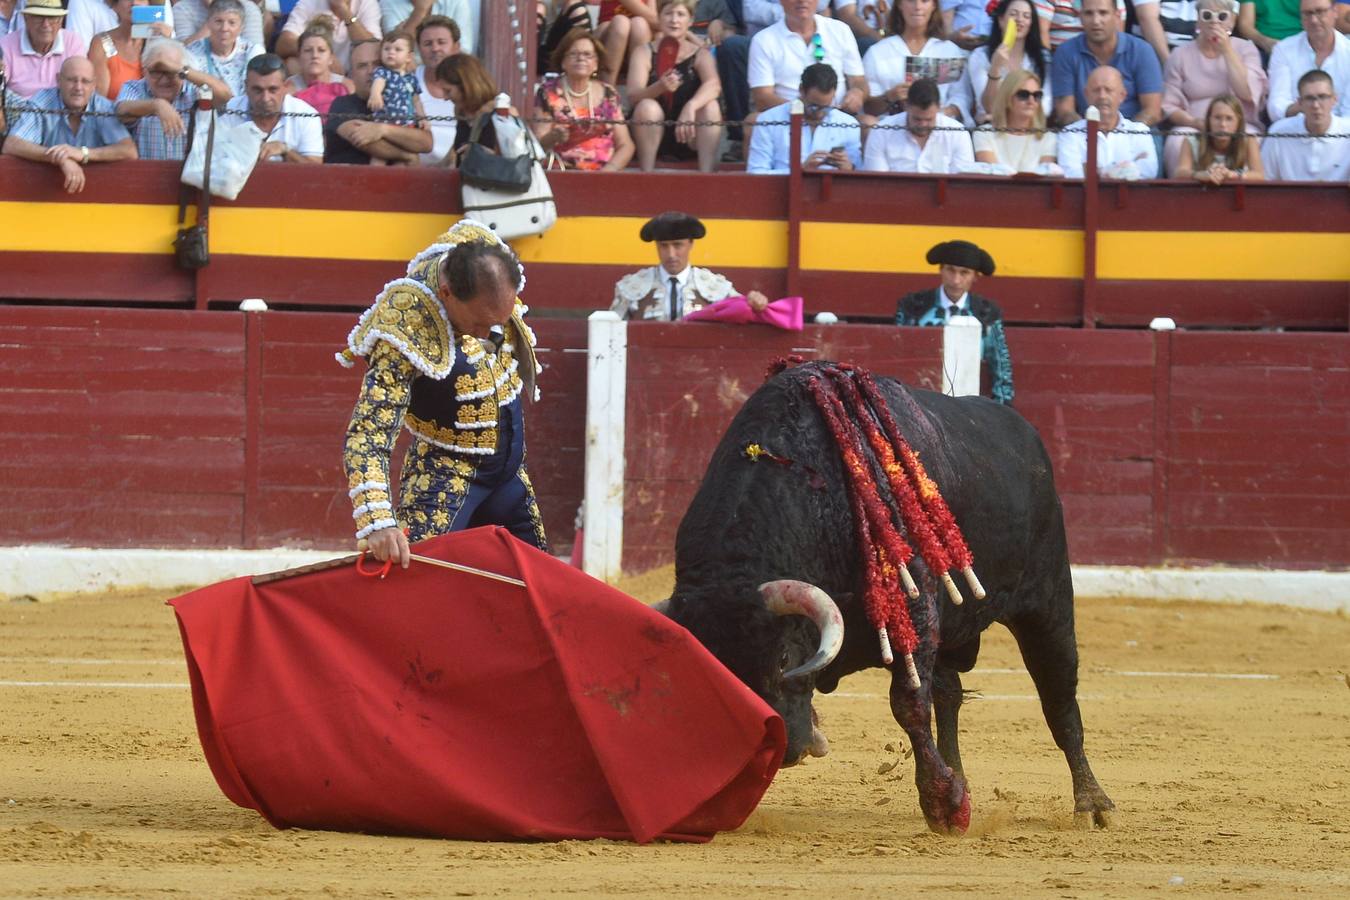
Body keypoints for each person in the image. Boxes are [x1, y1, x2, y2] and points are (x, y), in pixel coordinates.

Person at [341, 220, 548, 566]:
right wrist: (377, 521)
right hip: (445, 480)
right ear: (448, 293)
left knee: (542, 587)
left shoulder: (484, 258)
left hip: (511, 474)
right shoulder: (404, 326)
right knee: (419, 591)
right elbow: (369, 432)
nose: (491, 334)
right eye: (480, 323)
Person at [895, 239, 1013, 406]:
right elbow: (900, 356)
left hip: (969, 404)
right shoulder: (914, 307)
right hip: (921, 400)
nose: (956, 280)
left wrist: (1001, 410)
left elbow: (1001, 367)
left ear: (975, 277)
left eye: (964, 273)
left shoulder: (987, 314)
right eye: (951, 270)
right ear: (941, 270)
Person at [1160, 0, 1266, 175]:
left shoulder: (1246, 49)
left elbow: (1247, 92)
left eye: (1222, 17)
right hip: (1194, 124)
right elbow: (1169, 105)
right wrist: (1195, 123)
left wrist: (1227, 51)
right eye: (1207, 16)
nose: (1214, 22)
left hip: (1238, 126)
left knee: (1251, 138)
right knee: (1178, 140)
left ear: (1232, 21)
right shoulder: (1180, 54)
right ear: (1198, 21)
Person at [2, 56, 137, 193]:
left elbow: (129, 151)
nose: (78, 87)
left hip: (97, 195)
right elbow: (12, 144)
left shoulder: (102, 107)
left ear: (94, 85)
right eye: (71, 80)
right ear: (58, 80)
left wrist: (82, 154)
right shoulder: (43, 101)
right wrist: (61, 158)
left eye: (85, 81)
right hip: (44, 194)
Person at [611, 211, 770, 320]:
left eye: (678, 245)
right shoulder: (631, 287)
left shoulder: (715, 286)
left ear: (691, 244)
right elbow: (609, 334)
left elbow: (744, 312)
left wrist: (755, 304)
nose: (671, 254)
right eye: (663, 246)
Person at [628, 0, 723, 172]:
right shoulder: (643, 52)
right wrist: (659, 87)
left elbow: (714, 85)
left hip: (688, 132)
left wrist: (691, 106)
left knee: (711, 106)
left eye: (680, 14)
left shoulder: (700, 54)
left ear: (690, 20)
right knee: (646, 106)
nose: (674, 20)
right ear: (659, 17)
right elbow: (634, 96)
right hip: (650, 131)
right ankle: (647, 174)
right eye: (668, 13)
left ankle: (707, 174)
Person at [531, 28, 635, 170]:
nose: (581, 58)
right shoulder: (548, 92)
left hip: (604, 174)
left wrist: (608, 172)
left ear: (596, 64)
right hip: (561, 173)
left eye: (587, 55)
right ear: (563, 62)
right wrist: (553, 138)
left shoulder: (609, 94)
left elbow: (626, 145)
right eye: (574, 54)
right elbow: (537, 145)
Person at [1051, 0, 1164, 125]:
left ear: (1117, 17)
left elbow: (1152, 111)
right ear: (1081, 17)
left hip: (1135, 131)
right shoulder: (1066, 52)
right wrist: (1091, 134)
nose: (1096, 21)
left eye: (1103, 13)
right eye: (1089, 13)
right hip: (1084, 133)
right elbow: (1065, 112)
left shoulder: (1141, 51)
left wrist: (1123, 134)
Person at [115, 37, 230, 159]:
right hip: (146, 174)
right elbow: (121, 110)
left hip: (189, 174)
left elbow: (225, 95)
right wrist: (157, 105)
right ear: (144, 72)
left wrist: (181, 70)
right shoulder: (134, 87)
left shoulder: (193, 89)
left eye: (171, 72)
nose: (164, 80)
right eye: (156, 72)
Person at [861, 0, 972, 124]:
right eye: (911, 1)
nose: (918, 7)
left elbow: (962, 96)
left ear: (933, 5)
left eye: (924, 1)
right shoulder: (878, 52)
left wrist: (942, 112)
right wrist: (890, 96)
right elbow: (868, 107)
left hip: (941, 128)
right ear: (899, 4)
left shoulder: (949, 50)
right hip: (892, 130)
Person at [324, 38, 433, 163]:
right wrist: (407, 155)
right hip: (352, 179)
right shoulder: (342, 104)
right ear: (352, 75)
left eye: (376, 64)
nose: (371, 71)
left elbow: (426, 143)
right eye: (362, 66)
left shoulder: (402, 103)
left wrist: (383, 129)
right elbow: (360, 138)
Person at [748, 0, 866, 115]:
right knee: (752, 122)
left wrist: (857, 93)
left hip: (838, 116)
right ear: (781, 1)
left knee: (868, 122)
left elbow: (858, 80)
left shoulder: (840, 30)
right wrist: (805, 111)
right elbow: (762, 97)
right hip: (787, 117)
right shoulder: (763, 40)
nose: (802, 1)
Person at [747, 62, 862, 172]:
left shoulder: (848, 124)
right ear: (801, 90)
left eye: (827, 107)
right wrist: (799, 170)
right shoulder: (769, 120)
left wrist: (849, 168)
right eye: (813, 107)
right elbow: (756, 172)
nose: (819, 113)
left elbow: (859, 174)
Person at [1057, 65, 1160, 178]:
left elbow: (1148, 172)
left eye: (1108, 90)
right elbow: (1072, 175)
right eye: (1096, 90)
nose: (1102, 96)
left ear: (1122, 96)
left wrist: (1100, 172)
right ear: (1086, 95)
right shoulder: (1070, 134)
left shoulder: (1139, 131)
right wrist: (1126, 169)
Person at [224, 52, 324, 162]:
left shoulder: (307, 115)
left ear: (286, 87)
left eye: (273, 90)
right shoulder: (228, 110)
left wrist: (285, 151)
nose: (265, 98)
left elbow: (315, 168)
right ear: (246, 87)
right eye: (258, 90)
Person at [862, 76, 974, 172]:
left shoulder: (958, 133)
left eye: (929, 119)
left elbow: (961, 184)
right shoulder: (881, 132)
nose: (923, 124)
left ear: (939, 107)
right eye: (917, 119)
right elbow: (878, 184)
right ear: (906, 106)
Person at [966, 0, 1051, 124]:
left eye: (1026, 16)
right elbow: (989, 107)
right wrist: (995, 68)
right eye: (1013, 14)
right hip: (992, 128)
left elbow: (1046, 105)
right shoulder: (980, 55)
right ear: (1001, 20)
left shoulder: (1043, 58)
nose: (1019, 20)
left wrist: (1009, 116)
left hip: (1031, 127)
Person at [1266, 0, 1350, 121]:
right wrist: (1309, 110)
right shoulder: (1283, 49)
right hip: (1295, 127)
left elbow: (1349, 113)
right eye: (1307, 13)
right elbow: (1276, 107)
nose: (1314, 20)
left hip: (1342, 134)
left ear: (1335, 11)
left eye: (1320, 12)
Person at [1261, 68, 1350, 179]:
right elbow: (1265, 179)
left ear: (1334, 99)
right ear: (1300, 103)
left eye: (1322, 97)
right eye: (1309, 98)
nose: (1316, 105)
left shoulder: (1347, 132)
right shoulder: (1278, 133)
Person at [436, 52, 522, 165]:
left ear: (466, 86)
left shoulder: (501, 111)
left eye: (448, 91)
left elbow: (515, 157)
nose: (445, 98)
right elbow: (456, 151)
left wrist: (481, 153)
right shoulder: (461, 112)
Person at [0, 0, 88, 100]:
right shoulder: (5, 45)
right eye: (39, 17)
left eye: (51, 18)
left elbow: (79, 87)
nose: (45, 24)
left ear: (60, 21)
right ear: (26, 19)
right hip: (17, 112)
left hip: (61, 111)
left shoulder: (73, 43)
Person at [973, 70, 1058, 171]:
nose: (1031, 101)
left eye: (1037, 95)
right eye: (1023, 95)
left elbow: (1044, 179)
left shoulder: (1048, 137)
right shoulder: (984, 133)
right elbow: (993, 176)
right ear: (1007, 97)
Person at [89, 0, 171, 101]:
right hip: (113, 114)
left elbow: (169, 92)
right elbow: (98, 102)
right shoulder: (101, 43)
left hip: (152, 115)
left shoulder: (158, 41)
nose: (134, 2)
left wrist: (168, 45)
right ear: (115, 6)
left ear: (150, 5)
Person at [1171, 93, 1265, 179]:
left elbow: (1259, 176)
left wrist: (1232, 175)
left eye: (1229, 119)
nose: (1223, 124)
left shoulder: (1248, 141)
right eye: (1217, 118)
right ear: (1209, 120)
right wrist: (1200, 175)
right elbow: (1180, 173)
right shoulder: (1191, 141)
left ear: (1238, 121)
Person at [186, 0, 262, 100]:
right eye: (218, 21)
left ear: (241, 28)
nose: (224, 28)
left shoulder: (253, 51)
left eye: (232, 23)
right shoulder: (192, 52)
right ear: (208, 24)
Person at [276, 0, 381, 72]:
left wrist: (344, 11)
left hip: (353, 76)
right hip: (318, 71)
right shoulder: (309, 2)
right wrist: (325, 58)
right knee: (292, 64)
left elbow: (373, 48)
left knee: (373, 68)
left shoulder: (367, 3)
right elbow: (284, 44)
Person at [413, 14, 460, 165]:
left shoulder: (469, 85)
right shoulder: (408, 82)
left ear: (456, 47)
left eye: (441, 42)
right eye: (428, 43)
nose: (435, 48)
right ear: (419, 49)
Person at [285, 24, 353, 117]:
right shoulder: (288, 89)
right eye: (308, 50)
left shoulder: (348, 86)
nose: (314, 56)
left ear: (331, 58)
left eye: (321, 50)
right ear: (299, 57)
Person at [383, 0, 478, 58]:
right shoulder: (389, 3)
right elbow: (395, 51)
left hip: (449, 70)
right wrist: (420, 11)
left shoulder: (456, 2)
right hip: (409, 76)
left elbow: (464, 51)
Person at [594, 0, 658, 85]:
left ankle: (636, 84)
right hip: (609, 35)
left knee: (640, 24)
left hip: (635, 39)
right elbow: (653, 19)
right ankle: (607, 89)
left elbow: (653, 20)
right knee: (621, 23)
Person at [367, 30, 423, 128]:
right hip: (384, 122)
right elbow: (378, 83)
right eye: (387, 49)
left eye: (398, 49)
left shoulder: (411, 78)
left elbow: (416, 100)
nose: (391, 52)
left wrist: (422, 117)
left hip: (407, 123)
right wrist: (375, 94)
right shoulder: (383, 72)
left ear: (409, 57)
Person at [175, 0, 266, 51]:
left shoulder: (249, 9)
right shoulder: (182, 8)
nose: (224, 28)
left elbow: (256, 51)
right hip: (198, 70)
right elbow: (183, 52)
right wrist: (215, 13)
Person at [1237, 0, 1306, 57]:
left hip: (1303, 43)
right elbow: (1245, 26)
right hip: (1263, 47)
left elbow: (1314, 18)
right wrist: (1265, 42)